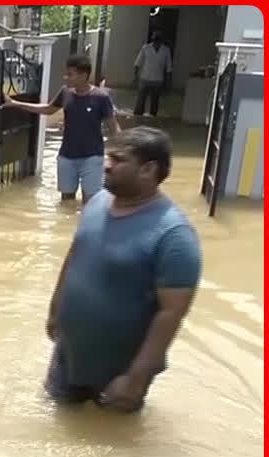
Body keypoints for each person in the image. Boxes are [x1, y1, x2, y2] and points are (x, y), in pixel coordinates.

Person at [45, 126, 202, 412]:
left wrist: (136, 377)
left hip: (117, 370)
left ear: (148, 169)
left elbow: (172, 313)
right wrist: (55, 309)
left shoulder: (173, 234)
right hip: (69, 351)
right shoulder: (98, 202)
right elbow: (75, 254)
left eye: (118, 160)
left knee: (112, 448)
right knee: (57, 420)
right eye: (108, 156)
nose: (106, 165)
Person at [0, 55, 121, 204]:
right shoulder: (65, 92)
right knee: (66, 202)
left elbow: (113, 127)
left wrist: (121, 155)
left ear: (83, 75)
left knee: (91, 202)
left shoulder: (101, 97)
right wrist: (15, 103)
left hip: (92, 157)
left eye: (70, 74)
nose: (65, 77)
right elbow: (48, 109)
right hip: (67, 156)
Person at [133, 31, 173, 117]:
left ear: (161, 39)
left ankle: (152, 118)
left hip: (158, 80)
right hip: (145, 78)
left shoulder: (166, 50)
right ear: (152, 38)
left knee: (155, 101)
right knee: (140, 101)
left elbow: (169, 67)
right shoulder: (146, 48)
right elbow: (137, 63)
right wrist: (136, 77)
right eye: (155, 37)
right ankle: (137, 117)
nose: (156, 40)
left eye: (158, 37)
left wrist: (168, 82)